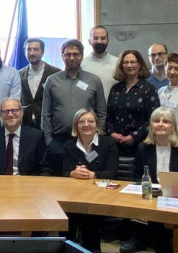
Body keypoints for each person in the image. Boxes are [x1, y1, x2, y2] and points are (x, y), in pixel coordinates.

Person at [122, 108, 178, 253]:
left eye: (166, 121)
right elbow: (139, 177)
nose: (160, 124)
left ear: (173, 126)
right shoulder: (143, 148)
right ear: (151, 126)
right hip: (152, 196)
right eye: (156, 121)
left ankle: (156, 242)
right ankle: (147, 240)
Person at [41, 40, 107, 176]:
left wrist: (98, 137)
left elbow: (101, 111)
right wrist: (48, 140)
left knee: (85, 175)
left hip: (86, 139)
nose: (72, 58)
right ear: (62, 56)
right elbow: (45, 113)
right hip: (58, 140)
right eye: (68, 54)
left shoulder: (94, 80)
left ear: (82, 56)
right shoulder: (52, 80)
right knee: (62, 176)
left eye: (76, 54)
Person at [62, 108, 118, 253]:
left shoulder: (108, 143)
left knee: (90, 218)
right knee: (67, 215)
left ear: (97, 125)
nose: (86, 125)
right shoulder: (69, 146)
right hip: (74, 195)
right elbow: (64, 173)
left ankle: (92, 248)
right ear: (76, 126)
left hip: (100, 195)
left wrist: (93, 174)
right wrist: (73, 173)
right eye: (82, 122)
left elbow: (113, 173)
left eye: (90, 121)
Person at [106, 50, 160, 157]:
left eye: (133, 62)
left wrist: (134, 137)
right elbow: (109, 117)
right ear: (121, 65)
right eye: (126, 62)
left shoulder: (149, 89)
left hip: (140, 144)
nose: (129, 65)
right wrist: (112, 133)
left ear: (139, 64)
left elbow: (154, 119)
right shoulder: (115, 89)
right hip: (115, 144)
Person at [0, 98, 48, 176]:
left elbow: (46, 168)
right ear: (0, 114)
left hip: (27, 182)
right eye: (5, 111)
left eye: (14, 110)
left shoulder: (36, 136)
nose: (10, 114)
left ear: (22, 112)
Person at [18, 38, 60, 129]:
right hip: (25, 123)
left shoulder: (56, 73)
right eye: (28, 49)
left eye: (36, 49)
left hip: (48, 124)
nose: (32, 53)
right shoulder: (19, 74)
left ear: (43, 52)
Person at [80, 25, 120, 100]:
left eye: (103, 38)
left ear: (108, 40)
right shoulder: (82, 64)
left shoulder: (118, 63)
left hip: (114, 106)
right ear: (89, 41)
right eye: (95, 38)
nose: (99, 41)